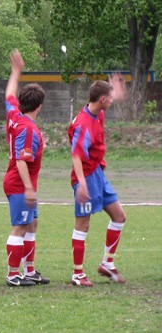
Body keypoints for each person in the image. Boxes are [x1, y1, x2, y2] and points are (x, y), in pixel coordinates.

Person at [68, 74, 127, 286]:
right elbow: (75, 155)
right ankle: (77, 274)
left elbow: (107, 99)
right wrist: (82, 184)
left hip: (97, 174)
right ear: (102, 100)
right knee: (83, 224)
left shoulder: (97, 111)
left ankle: (107, 264)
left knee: (119, 217)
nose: (111, 100)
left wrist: (115, 91)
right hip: (85, 177)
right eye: (110, 98)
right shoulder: (84, 125)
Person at [3, 50, 50, 287]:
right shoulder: (28, 129)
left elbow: (8, 93)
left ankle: (29, 270)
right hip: (19, 184)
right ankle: (13, 274)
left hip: (22, 183)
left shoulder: (14, 114)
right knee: (20, 227)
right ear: (39, 106)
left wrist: (16, 71)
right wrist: (29, 189)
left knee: (31, 224)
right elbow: (22, 160)